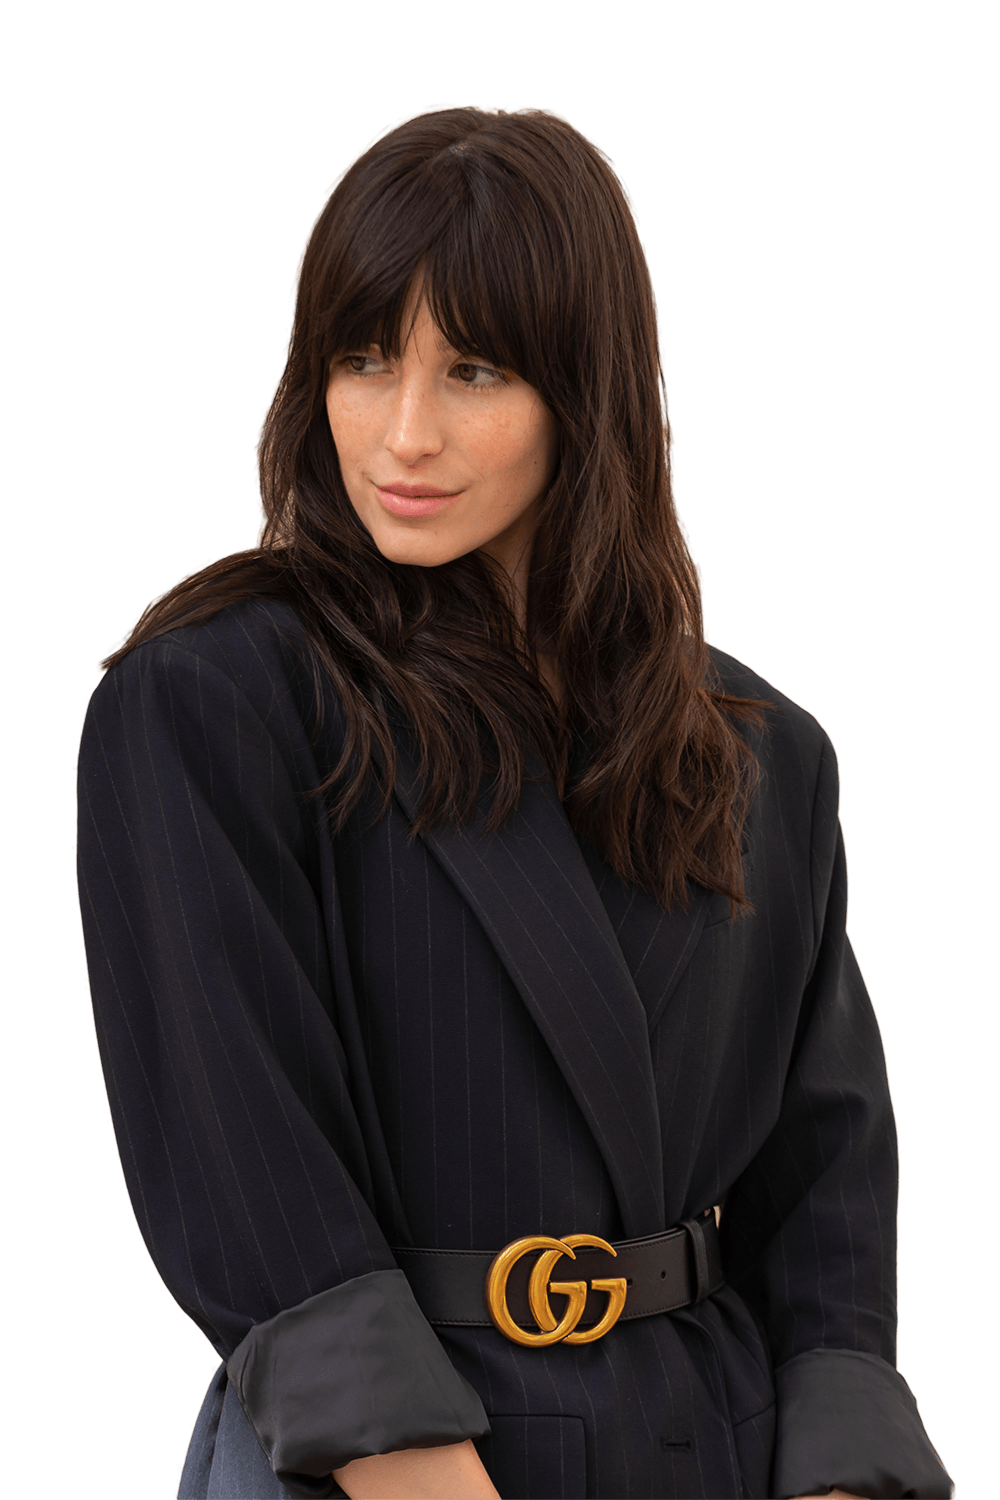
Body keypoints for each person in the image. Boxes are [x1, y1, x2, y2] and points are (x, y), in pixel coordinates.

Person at [75, 103, 955, 1500]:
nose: (404, 433)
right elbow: (252, 1178)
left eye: (474, 369)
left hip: (711, 1448)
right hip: (385, 1466)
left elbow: (827, 1186)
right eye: (364, 359)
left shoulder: (766, 754)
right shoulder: (214, 700)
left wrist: (840, 1479)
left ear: (586, 393)